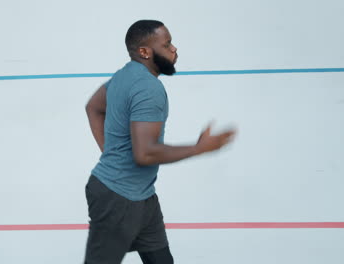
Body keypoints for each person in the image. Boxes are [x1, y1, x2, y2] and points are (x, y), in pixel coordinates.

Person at [84, 20, 236, 264]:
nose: (174, 49)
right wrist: (200, 148)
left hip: (143, 198)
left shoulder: (124, 75)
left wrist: (111, 153)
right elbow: (144, 154)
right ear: (145, 52)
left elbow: (93, 107)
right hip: (116, 198)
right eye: (166, 44)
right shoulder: (147, 88)